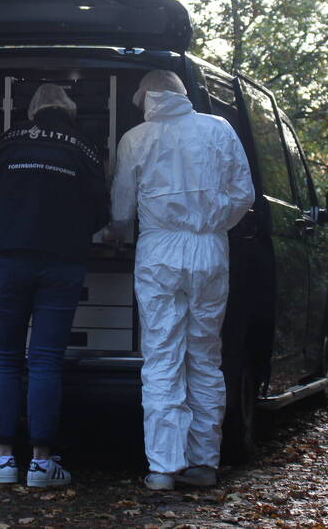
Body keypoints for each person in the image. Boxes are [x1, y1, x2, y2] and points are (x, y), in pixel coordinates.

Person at [106, 70, 254, 491]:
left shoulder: (136, 139)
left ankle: (163, 468)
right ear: (182, 93)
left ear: (146, 96)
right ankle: (204, 463)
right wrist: (211, 225)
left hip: (159, 253)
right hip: (210, 249)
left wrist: (121, 231)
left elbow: (121, 209)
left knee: (162, 355)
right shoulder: (219, 129)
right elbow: (243, 194)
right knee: (205, 356)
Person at [0, 83, 110, 487]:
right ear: (69, 111)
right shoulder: (84, 148)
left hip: (9, 258)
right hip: (63, 263)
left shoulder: (5, 142)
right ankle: (44, 464)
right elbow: (102, 209)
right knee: (45, 359)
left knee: (6, 359)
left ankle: (3, 458)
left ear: (33, 112)